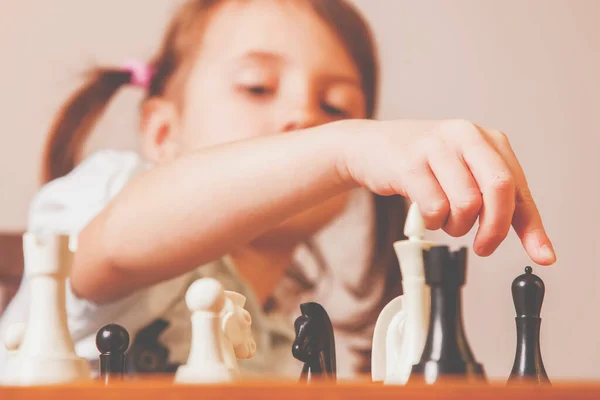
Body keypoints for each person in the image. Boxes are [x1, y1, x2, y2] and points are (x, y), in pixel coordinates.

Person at [0, 0, 555, 379]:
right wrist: (339, 145)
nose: (303, 117)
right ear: (163, 133)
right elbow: (112, 249)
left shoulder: (289, 327)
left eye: (336, 107)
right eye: (258, 86)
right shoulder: (115, 192)